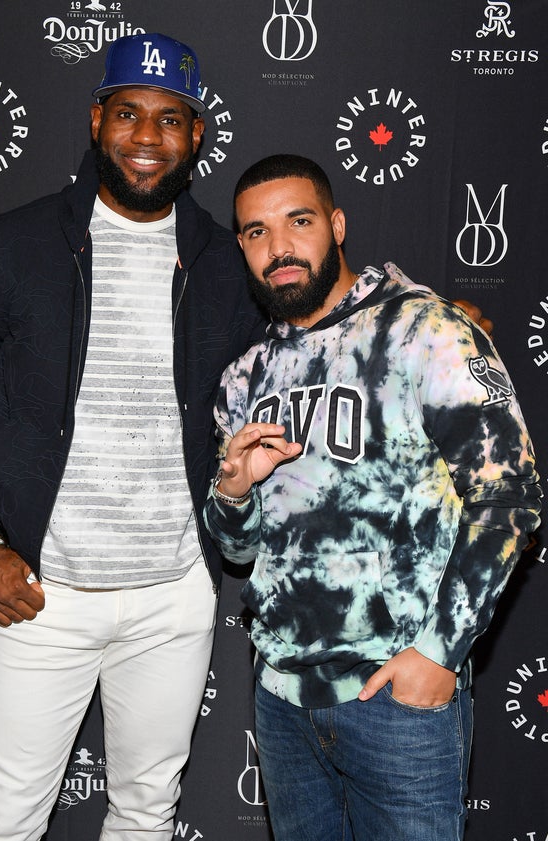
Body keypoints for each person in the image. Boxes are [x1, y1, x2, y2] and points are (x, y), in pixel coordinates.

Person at [0, 33, 266, 841]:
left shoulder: (225, 262)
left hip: (174, 595)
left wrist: (424, 321)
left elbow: (317, 319)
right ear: (96, 118)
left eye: (170, 119)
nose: (148, 139)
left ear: (197, 135)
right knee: (6, 822)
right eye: (130, 115)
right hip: (45, 596)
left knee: (146, 814)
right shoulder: (12, 246)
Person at [203, 154, 541, 841]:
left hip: (394, 694)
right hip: (282, 697)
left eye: (298, 222)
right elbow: (237, 551)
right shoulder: (246, 376)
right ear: (241, 246)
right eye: (256, 233)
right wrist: (232, 490)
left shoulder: (426, 330)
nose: (280, 249)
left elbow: (511, 499)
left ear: (336, 224)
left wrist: (440, 651)